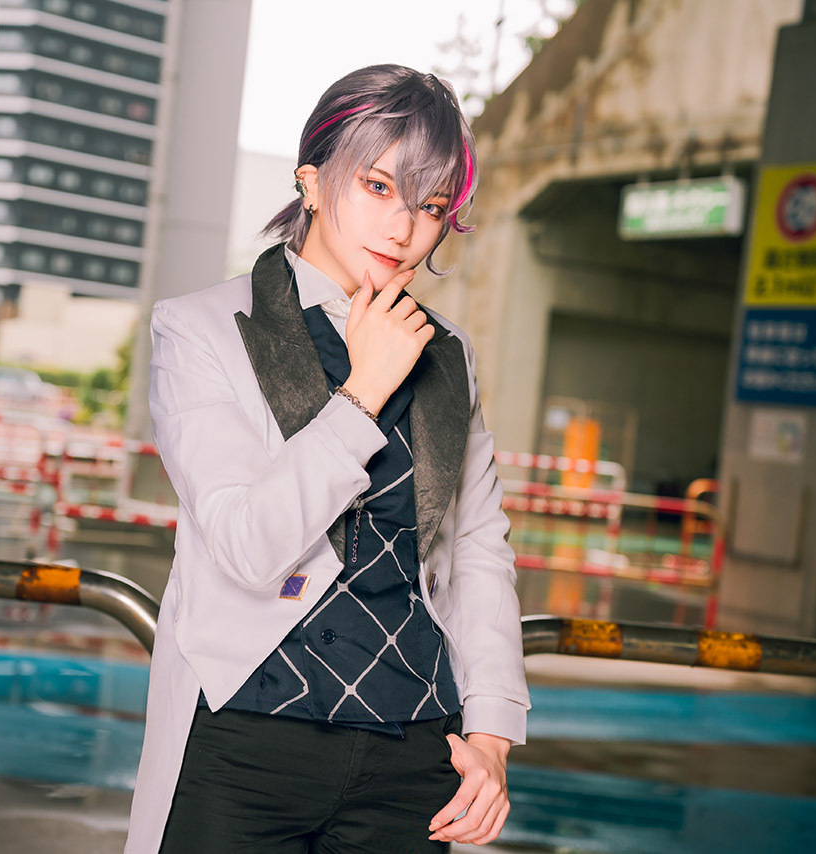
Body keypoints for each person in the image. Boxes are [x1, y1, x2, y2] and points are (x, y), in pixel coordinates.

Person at [124, 64, 529, 854]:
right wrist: (362, 394)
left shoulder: (446, 355)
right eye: (378, 186)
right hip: (244, 736)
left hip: (413, 747)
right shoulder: (202, 330)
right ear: (311, 182)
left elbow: (478, 547)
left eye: (431, 205)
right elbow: (248, 545)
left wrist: (490, 735)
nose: (404, 227)